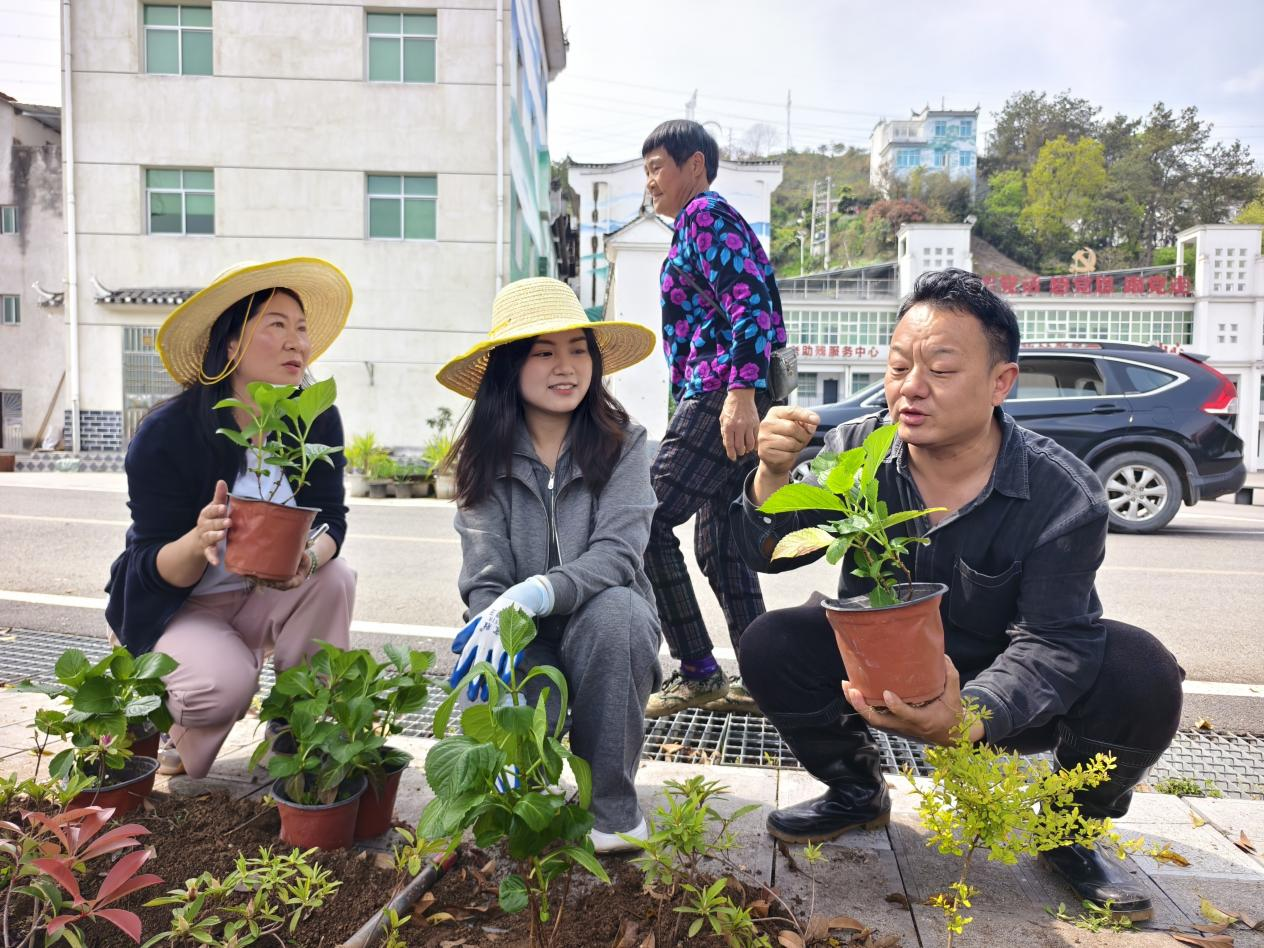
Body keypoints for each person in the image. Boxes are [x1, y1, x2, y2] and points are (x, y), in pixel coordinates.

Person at [732, 269, 1183, 921]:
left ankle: (1068, 833)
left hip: (1010, 699)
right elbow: (763, 551)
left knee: (1140, 671)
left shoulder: (1062, 493)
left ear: (1002, 382)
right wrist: (772, 475)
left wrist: (968, 713)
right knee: (772, 643)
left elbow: (1056, 641)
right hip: (881, 678)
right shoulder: (857, 451)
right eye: (898, 366)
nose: (910, 388)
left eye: (940, 369)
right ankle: (856, 791)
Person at [105, 258, 357, 779]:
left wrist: (308, 559)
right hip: (182, 602)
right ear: (231, 346)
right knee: (222, 689)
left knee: (336, 578)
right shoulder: (168, 434)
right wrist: (199, 539)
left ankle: (297, 739)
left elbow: (331, 517)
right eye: (277, 326)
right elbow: (150, 560)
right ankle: (165, 698)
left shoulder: (313, 417)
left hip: (263, 592)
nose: (297, 343)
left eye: (302, 329)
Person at [437, 277, 663, 853]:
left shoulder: (625, 443)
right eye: (543, 352)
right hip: (525, 632)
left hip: (603, 622)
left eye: (577, 349)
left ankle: (612, 811)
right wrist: (496, 623)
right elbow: (486, 577)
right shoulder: (483, 458)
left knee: (618, 616)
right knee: (518, 803)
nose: (566, 367)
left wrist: (539, 589)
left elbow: (618, 553)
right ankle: (525, 788)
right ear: (509, 367)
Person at [640, 119, 787, 718]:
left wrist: (741, 393)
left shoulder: (704, 216)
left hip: (722, 393)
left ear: (693, 165)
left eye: (657, 168)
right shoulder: (697, 227)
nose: (649, 182)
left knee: (641, 518)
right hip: (721, 393)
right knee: (720, 543)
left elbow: (748, 301)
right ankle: (764, 676)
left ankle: (698, 669)